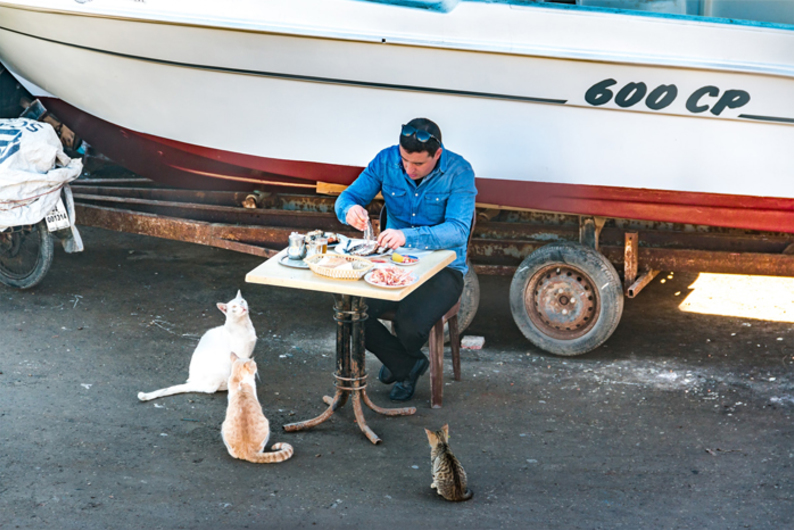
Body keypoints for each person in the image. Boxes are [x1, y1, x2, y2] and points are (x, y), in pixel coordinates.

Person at [334, 118, 477, 401]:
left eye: (418, 165)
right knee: (349, 309)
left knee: (410, 325)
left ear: (437, 154)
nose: (409, 170)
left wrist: (407, 236)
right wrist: (349, 209)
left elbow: (458, 231)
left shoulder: (460, 170)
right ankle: (407, 365)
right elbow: (347, 197)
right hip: (393, 263)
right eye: (404, 161)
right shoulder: (386, 160)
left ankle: (399, 362)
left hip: (444, 269)